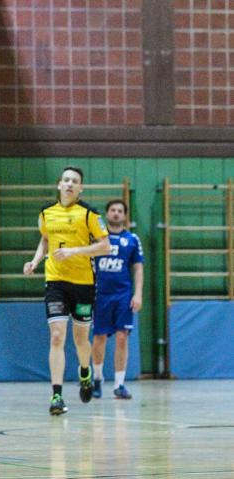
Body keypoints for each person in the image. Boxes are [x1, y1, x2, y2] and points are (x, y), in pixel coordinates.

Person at [23, 166, 110, 415]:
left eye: (75, 181)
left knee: (81, 339)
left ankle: (85, 372)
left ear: (80, 188)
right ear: (59, 184)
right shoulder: (46, 213)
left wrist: (75, 251)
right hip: (56, 282)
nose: (70, 184)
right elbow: (45, 239)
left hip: (83, 283)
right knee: (57, 336)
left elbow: (105, 246)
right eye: (66, 180)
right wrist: (35, 261)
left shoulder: (89, 214)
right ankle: (57, 396)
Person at [92, 200, 143, 400]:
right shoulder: (96, 239)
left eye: (120, 211)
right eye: (112, 210)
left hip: (123, 295)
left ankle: (119, 384)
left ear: (124, 215)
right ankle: (97, 379)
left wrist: (137, 294)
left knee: (122, 337)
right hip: (100, 295)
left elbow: (138, 268)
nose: (116, 213)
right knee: (99, 338)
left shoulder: (132, 239)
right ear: (107, 214)